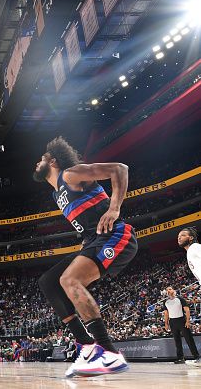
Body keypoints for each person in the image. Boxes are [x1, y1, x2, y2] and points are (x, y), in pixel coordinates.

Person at [33, 137, 138, 377]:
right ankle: (88, 347)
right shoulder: (56, 194)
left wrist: (114, 208)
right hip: (94, 240)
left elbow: (119, 169)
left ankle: (108, 353)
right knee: (49, 281)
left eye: (40, 159)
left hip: (116, 235)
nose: (36, 163)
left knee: (70, 280)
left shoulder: (70, 174)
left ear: (53, 160)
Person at [162, 286, 200, 365]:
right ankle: (180, 358)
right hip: (172, 322)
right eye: (167, 290)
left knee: (189, 339)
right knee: (177, 341)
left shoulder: (180, 299)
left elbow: (187, 310)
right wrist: (166, 323)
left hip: (181, 320)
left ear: (173, 290)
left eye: (170, 289)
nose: (168, 291)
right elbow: (166, 313)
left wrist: (187, 321)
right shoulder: (165, 302)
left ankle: (196, 357)